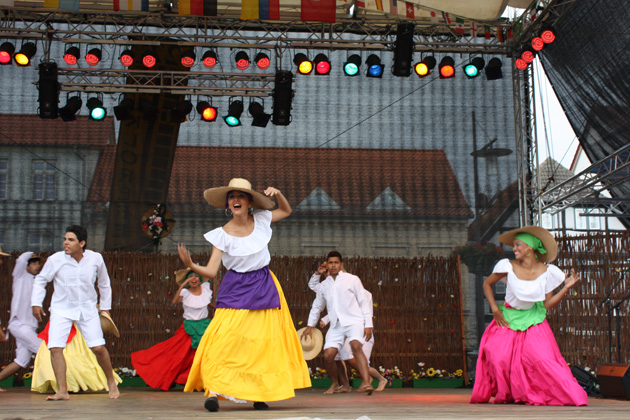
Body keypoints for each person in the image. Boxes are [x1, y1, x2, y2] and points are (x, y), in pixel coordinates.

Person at [177, 178, 310, 412]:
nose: (235, 199)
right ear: (227, 204)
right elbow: (211, 271)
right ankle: (215, 392)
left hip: (264, 285)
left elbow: (286, 211)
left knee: (262, 345)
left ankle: (259, 394)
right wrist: (191, 264)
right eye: (231, 196)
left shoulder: (262, 219)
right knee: (221, 341)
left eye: (240, 195)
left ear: (249, 201)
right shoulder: (221, 235)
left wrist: (278, 194)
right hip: (235, 288)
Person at [469, 226, 588, 406]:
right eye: (515, 246)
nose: (514, 249)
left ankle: (562, 394)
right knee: (499, 357)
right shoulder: (507, 266)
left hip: (534, 319)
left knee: (542, 358)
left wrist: (565, 288)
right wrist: (494, 308)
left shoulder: (549, 272)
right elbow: (487, 284)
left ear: (530, 248)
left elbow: (547, 304)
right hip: (508, 318)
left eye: (518, 245)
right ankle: (509, 393)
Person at [31, 225, 119, 400]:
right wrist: (36, 303)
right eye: (65, 239)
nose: (65, 243)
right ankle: (62, 391)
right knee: (55, 347)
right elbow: (41, 280)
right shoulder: (56, 259)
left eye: (70, 240)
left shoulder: (95, 258)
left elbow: (104, 283)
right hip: (61, 309)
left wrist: (105, 307)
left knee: (98, 348)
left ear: (82, 243)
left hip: (88, 309)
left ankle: (111, 382)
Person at [302, 251, 374, 395]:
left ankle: (366, 382)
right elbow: (317, 306)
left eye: (336, 263)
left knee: (355, 345)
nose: (333, 265)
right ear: (327, 265)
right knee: (328, 355)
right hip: (336, 325)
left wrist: (368, 324)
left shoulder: (352, 279)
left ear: (341, 264)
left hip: (354, 321)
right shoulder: (324, 285)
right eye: (330, 263)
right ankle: (335, 383)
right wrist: (310, 326)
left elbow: (363, 301)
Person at [308, 265, 387, 393]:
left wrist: (367, 326)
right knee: (337, 357)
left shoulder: (363, 293)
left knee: (356, 361)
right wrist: (317, 273)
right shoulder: (331, 287)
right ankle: (345, 385)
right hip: (343, 329)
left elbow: (355, 311)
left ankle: (376, 379)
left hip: (359, 329)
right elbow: (336, 306)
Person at [131, 268, 213, 391]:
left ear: (200, 279)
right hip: (188, 327)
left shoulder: (206, 289)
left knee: (200, 354)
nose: (194, 278)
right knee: (176, 353)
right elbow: (174, 301)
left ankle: (195, 380)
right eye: (190, 276)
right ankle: (163, 374)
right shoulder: (184, 293)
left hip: (204, 326)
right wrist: (183, 286)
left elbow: (210, 303)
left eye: (196, 276)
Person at [31, 321, 122, 393]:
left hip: (77, 323)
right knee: (53, 355)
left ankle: (75, 384)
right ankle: (64, 387)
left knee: (78, 357)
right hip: (60, 320)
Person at [0, 252, 43, 392]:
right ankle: (63, 382)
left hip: (27, 328)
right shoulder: (20, 277)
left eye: (38, 264)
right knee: (45, 350)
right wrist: (31, 253)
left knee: (21, 361)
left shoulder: (37, 281)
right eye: (34, 263)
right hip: (19, 325)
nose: (37, 266)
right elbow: (20, 260)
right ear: (27, 266)